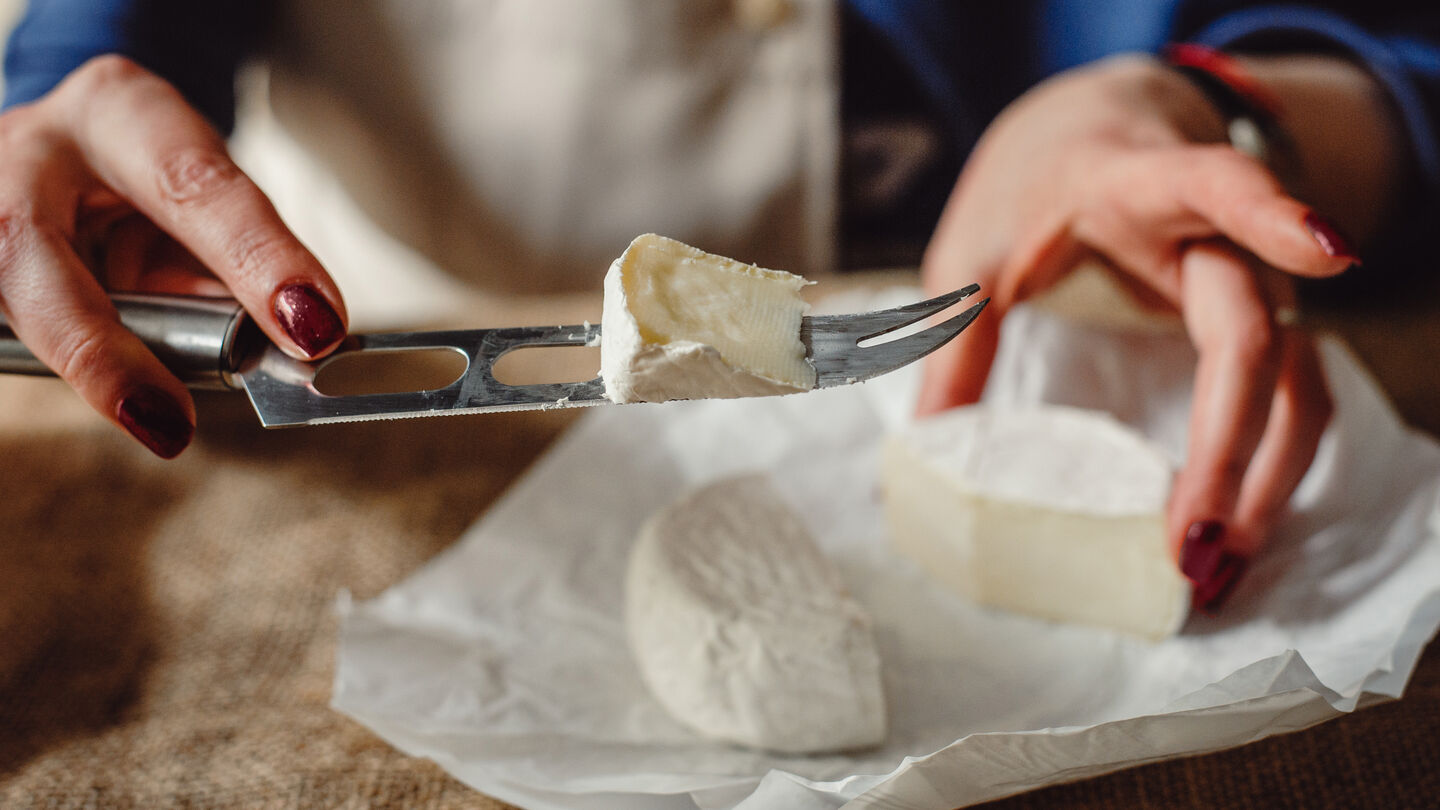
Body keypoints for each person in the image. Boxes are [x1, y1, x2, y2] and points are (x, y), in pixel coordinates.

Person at [2, 0, 1437, 611]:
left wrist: (1230, 113)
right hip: (426, 442)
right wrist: (44, 125)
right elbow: (92, 58)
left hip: (1117, 340)